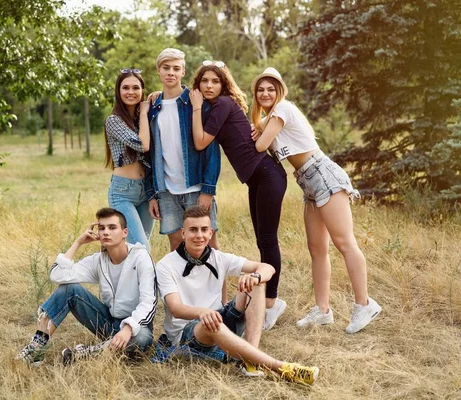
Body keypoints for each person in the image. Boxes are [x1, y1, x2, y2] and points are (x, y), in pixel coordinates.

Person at [250, 67, 381, 334]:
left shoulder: (283, 109)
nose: (265, 93)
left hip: (324, 175)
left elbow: (261, 145)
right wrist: (258, 128)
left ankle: (364, 304)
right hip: (307, 181)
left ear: (279, 91)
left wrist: (258, 131)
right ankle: (322, 310)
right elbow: (261, 135)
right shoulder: (270, 118)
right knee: (317, 248)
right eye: (260, 89)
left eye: (270, 89)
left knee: (345, 242)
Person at [155, 205, 319, 384]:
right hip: (188, 334)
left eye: (204, 230)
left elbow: (268, 268)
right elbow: (176, 309)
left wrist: (255, 276)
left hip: (220, 317)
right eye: (193, 230)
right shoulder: (165, 265)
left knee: (257, 282)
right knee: (211, 322)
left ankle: (250, 363)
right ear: (183, 233)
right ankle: (281, 367)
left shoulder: (219, 257)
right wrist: (202, 312)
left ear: (211, 233)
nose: (199, 235)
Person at [189, 61, 288, 331]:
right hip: (257, 178)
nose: (209, 86)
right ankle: (269, 300)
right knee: (262, 239)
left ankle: (271, 302)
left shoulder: (220, 104)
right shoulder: (218, 107)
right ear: (198, 84)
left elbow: (200, 142)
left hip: (267, 175)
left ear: (223, 85)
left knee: (267, 240)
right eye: (204, 82)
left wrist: (197, 105)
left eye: (214, 82)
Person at [15, 208, 156, 366]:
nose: (106, 232)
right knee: (69, 289)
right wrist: (78, 242)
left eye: (112, 227)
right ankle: (37, 347)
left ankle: (86, 353)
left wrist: (128, 328)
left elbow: (149, 303)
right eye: (101, 228)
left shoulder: (141, 258)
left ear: (125, 232)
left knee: (142, 338)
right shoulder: (98, 260)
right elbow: (57, 276)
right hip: (107, 322)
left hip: (136, 327)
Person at [147, 48, 221, 253]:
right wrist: (153, 194)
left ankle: (217, 287)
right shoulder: (152, 107)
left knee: (210, 246)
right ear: (158, 71)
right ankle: (179, 287)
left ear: (183, 72)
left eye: (176, 68)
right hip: (167, 190)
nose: (171, 72)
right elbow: (150, 156)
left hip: (195, 188)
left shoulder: (197, 103)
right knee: (176, 247)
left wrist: (208, 189)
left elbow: (211, 150)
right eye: (166, 68)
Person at [104, 69, 154, 250]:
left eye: (135, 87)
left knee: (137, 249)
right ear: (118, 91)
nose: (130, 92)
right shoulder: (114, 121)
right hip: (123, 192)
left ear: (142, 90)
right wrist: (143, 113)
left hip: (145, 190)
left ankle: (128, 278)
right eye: (125, 88)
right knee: (142, 248)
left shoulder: (145, 118)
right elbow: (143, 145)